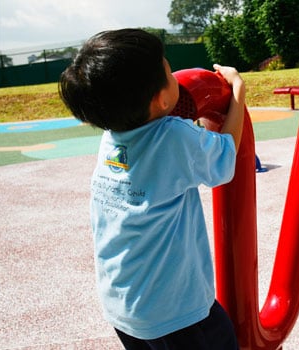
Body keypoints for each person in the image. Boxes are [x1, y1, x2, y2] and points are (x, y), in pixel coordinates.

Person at [59, 28, 244, 349]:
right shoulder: (174, 137)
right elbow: (225, 157)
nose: (174, 76)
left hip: (123, 305)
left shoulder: (112, 136)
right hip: (178, 312)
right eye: (170, 72)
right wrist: (238, 90)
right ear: (160, 98)